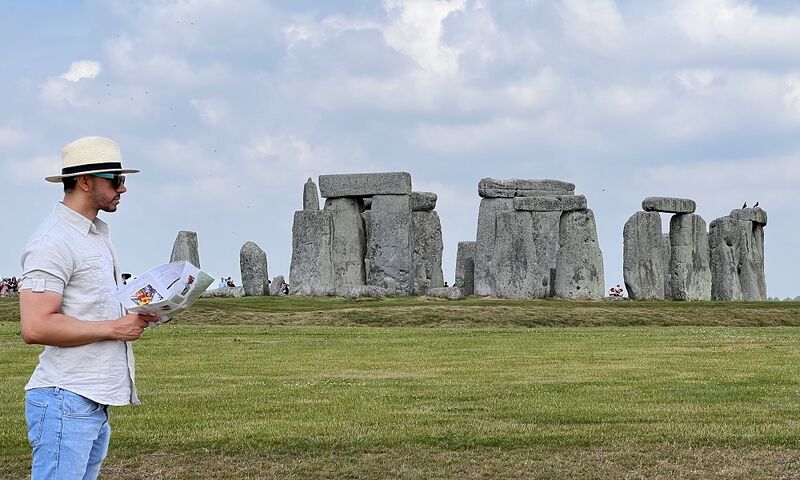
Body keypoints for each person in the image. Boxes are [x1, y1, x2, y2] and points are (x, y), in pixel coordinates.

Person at [18, 136, 159, 479]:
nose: (122, 189)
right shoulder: (53, 241)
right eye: (116, 180)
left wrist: (139, 313)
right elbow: (35, 327)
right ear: (84, 181)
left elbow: (90, 306)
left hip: (88, 400)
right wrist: (114, 328)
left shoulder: (93, 235)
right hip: (66, 398)